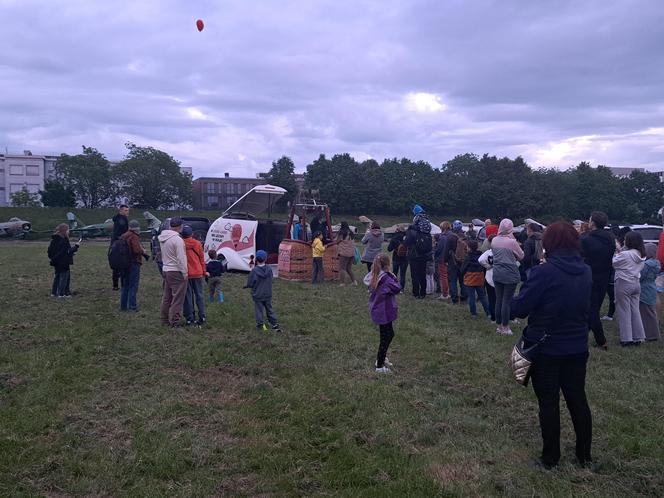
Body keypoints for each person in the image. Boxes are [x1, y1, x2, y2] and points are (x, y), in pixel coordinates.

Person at [510, 222, 593, 470]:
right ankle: (584, 456)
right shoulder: (586, 271)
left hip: (546, 348)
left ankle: (550, 459)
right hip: (577, 345)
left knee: (549, 403)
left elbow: (520, 309)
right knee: (578, 400)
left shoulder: (544, 272)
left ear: (549, 244)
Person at [580, 211, 614, 350]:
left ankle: (602, 341)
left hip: (590, 276)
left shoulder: (586, 239)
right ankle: (582, 336)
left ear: (593, 222)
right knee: (595, 307)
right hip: (604, 276)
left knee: (591, 310)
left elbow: (579, 255)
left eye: (589, 219)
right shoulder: (610, 237)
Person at [363, 253, 401, 373]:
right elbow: (397, 287)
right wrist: (391, 274)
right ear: (387, 265)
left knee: (386, 334)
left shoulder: (376, 275)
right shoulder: (385, 278)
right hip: (384, 311)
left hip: (379, 309)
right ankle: (379, 365)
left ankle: (382, 357)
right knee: (387, 336)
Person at [613, 231, 646, 346]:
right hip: (636, 283)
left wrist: (617, 251)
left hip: (623, 282)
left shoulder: (625, 254)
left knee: (624, 310)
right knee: (635, 310)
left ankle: (626, 339)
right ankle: (639, 337)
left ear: (629, 241)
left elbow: (614, 263)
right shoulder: (641, 254)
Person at [492, 219, 524, 335]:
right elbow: (521, 256)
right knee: (507, 301)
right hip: (510, 273)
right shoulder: (512, 242)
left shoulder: (494, 240)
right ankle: (505, 327)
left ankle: (499, 326)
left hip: (497, 272)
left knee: (499, 300)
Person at [159, 217, 188, 327]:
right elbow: (181, 258)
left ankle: (164, 319)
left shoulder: (163, 238)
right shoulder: (177, 240)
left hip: (166, 269)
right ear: (180, 227)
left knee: (167, 298)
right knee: (177, 298)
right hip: (176, 271)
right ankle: (175, 322)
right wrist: (184, 273)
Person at [245, 249, 281, 331]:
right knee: (270, 309)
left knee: (259, 310)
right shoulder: (269, 269)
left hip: (258, 295)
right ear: (265, 259)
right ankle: (274, 324)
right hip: (267, 294)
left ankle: (260, 325)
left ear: (256, 259)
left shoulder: (254, 271)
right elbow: (271, 278)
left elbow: (250, 283)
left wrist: (248, 286)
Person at [119, 219, 149, 311]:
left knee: (125, 285)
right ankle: (132, 307)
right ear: (137, 228)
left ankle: (123, 307)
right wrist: (143, 251)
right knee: (133, 286)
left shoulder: (123, 236)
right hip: (133, 263)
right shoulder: (134, 236)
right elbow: (136, 250)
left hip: (124, 264)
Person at [405, 205, 432, 299]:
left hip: (414, 255)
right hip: (424, 255)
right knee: (422, 274)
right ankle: (423, 293)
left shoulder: (412, 230)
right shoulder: (427, 229)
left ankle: (416, 293)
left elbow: (407, 242)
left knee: (415, 275)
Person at [182, 225, 207, 326]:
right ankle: (202, 315)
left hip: (186, 273)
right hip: (197, 272)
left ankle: (189, 317)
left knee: (188, 297)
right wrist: (204, 271)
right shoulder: (197, 244)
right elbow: (202, 258)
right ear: (192, 234)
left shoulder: (181, 244)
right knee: (199, 295)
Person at [47, 223, 80, 298]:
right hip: (63, 262)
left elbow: (52, 251)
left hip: (56, 262)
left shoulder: (54, 239)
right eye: (68, 230)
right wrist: (76, 247)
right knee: (64, 278)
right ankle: (62, 294)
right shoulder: (64, 240)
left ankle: (54, 293)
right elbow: (66, 251)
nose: (69, 231)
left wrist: (54, 258)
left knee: (57, 277)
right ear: (64, 231)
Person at [460, 239, 490, 317]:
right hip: (479, 277)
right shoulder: (481, 256)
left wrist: (462, 273)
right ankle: (488, 312)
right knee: (482, 296)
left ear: (469, 248)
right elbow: (484, 266)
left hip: (470, 278)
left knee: (471, 296)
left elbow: (463, 269)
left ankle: (473, 313)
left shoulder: (468, 258)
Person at [640, 243, 660, 342]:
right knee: (651, 311)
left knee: (646, 313)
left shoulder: (646, 265)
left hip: (644, 289)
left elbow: (641, 276)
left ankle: (651, 335)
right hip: (651, 287)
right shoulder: (656, 263)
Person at [444, 220, 468, 304]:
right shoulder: (465, 236)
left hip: (452, 262)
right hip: (464, 262)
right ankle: (464, 297)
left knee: (452, 280)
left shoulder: (450, 237)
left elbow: (446, 250)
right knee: (463, 280)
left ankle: (454, 298)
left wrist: (445, 260)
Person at [478, 234, 497, 322]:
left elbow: (481, 260)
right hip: (499, 276)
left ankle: (493, 317)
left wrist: (488, 266)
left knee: (491, 298)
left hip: (489, 277)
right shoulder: (501, 251)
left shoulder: (488, 252)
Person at [111, 204, 129, 290]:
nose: (127, 212)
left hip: (114, 244)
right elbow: (123, 231)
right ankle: (123, 284)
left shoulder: (116, 219)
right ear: (120, 211)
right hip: (120, 244)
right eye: (125, 210)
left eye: (127, 210)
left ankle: (115, 285)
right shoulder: (122, 219)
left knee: (116, 265)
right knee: (122, 264)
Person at [434, 221, 452, 301]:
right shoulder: (452, 235)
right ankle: (451, 292)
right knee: (449, 276)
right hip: (451, 259)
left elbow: (439, 249)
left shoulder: (442, 237)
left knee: (443, 277)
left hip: (442, 259)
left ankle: (445, 294)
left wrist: (435, 254)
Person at [387, 225, 409, 291]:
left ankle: (394, 287)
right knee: (403, 274)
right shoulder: (407, 238)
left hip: (396, 257)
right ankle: (402, 289)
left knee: (394, 273)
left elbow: (389, 249)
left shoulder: (394, 238)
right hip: (405, 258)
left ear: (397, 230)